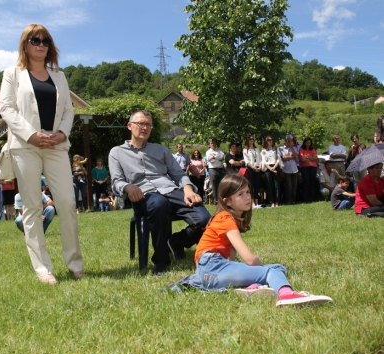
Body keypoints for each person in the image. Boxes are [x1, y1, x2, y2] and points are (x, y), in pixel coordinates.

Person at [0, 23, 83, 284]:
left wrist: (61, 133)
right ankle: (43, 269)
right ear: (25, 44)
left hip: (57, 145)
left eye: (45, 40)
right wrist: (31, 135)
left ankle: (74, 262)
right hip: (26, 146)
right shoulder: (12, 73)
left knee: (67, 203)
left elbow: (69, 110)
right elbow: (7, 108)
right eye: (34, 40)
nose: (40, 44)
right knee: (33, 207)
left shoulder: (59, 76)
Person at [178, 174, 333, 307]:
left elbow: (231, 260)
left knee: (279, 268)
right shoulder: (225, 219)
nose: (247, 197)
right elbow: (249, 259)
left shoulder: (227, 219)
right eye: (241, 194)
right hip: (212, 266)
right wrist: (264, 271)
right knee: (271, 271)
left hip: (209, 272)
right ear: (228, 201)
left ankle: (251, 287)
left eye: (247, 192)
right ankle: (286, 294)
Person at [109, 110, 211, 274]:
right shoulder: (117, 152)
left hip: (170, 189)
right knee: (159, 203)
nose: (145, 127)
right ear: (129, 126)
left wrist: (187, 189)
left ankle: (176, 242)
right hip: (143, 195)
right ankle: (161, 261)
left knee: (204, 219)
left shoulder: (160, 150)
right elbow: (116, 182)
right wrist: (128, 187)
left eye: (148, 124)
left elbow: (178, 174)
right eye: (141, 123)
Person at [261, 136, 281, 207]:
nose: (270, 141)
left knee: (276, 185)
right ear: (266, 141)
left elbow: (278, 159)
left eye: (271, 140)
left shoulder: (276, 148)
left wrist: (274, 167)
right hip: (268, 168)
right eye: (269, 140)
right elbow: (263, 161)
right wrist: (270, 168)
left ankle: (277, 202)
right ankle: (272, 202)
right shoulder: (264, 150)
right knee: (269, 185)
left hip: (275, 166)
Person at [243, 135, 262, 207]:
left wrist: (259, 166)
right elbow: (247, 161)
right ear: (247, 141)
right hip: (250, 168)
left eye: (252, 139)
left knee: (257, 185)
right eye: (250, 139)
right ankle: (252, 202)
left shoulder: (256, 149)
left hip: (257, 168)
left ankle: (257, 201)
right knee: (251, 185)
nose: (251, 140)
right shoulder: (245, 150)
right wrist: (253, 168)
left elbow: (260, 159)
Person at [298, 137, 319, 203]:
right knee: (306, 182)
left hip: (313, 167)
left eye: (309, 143)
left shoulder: (312, 149)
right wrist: (311, 158)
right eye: (307, 143)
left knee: (312, 182)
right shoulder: (301, 149)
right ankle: (305, 198)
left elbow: (315, 158)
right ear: (304, 143)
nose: (308, 144)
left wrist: (307, 157)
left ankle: (312, 197)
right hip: (304, 168)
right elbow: (302, 159)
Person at [206, 139, 226, 205]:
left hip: (220, 169)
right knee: (214, 185)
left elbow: (222, 157)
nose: (213, 144)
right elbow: (210, 160)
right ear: (210, 144)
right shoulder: (208, 152)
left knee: (222, 184)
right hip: (212, 169)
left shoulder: (220, 151)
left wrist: (214, 157)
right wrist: (217, 158)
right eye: (211, 143)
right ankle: (216, 200)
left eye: (214, 143)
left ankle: (222, 200)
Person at [280, 135, 298, 205]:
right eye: (289, 141)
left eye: (291, 141)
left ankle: (293, 200)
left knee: (294, 186)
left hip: (294, 169)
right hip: (286, 169)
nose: (291, 142)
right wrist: (291, 157)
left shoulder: (293, 148)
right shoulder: (281, 148)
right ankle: (288, 200)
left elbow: (296, 156)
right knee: (289, 186)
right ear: (286, 141)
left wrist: (292, 148)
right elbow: (284, 158)